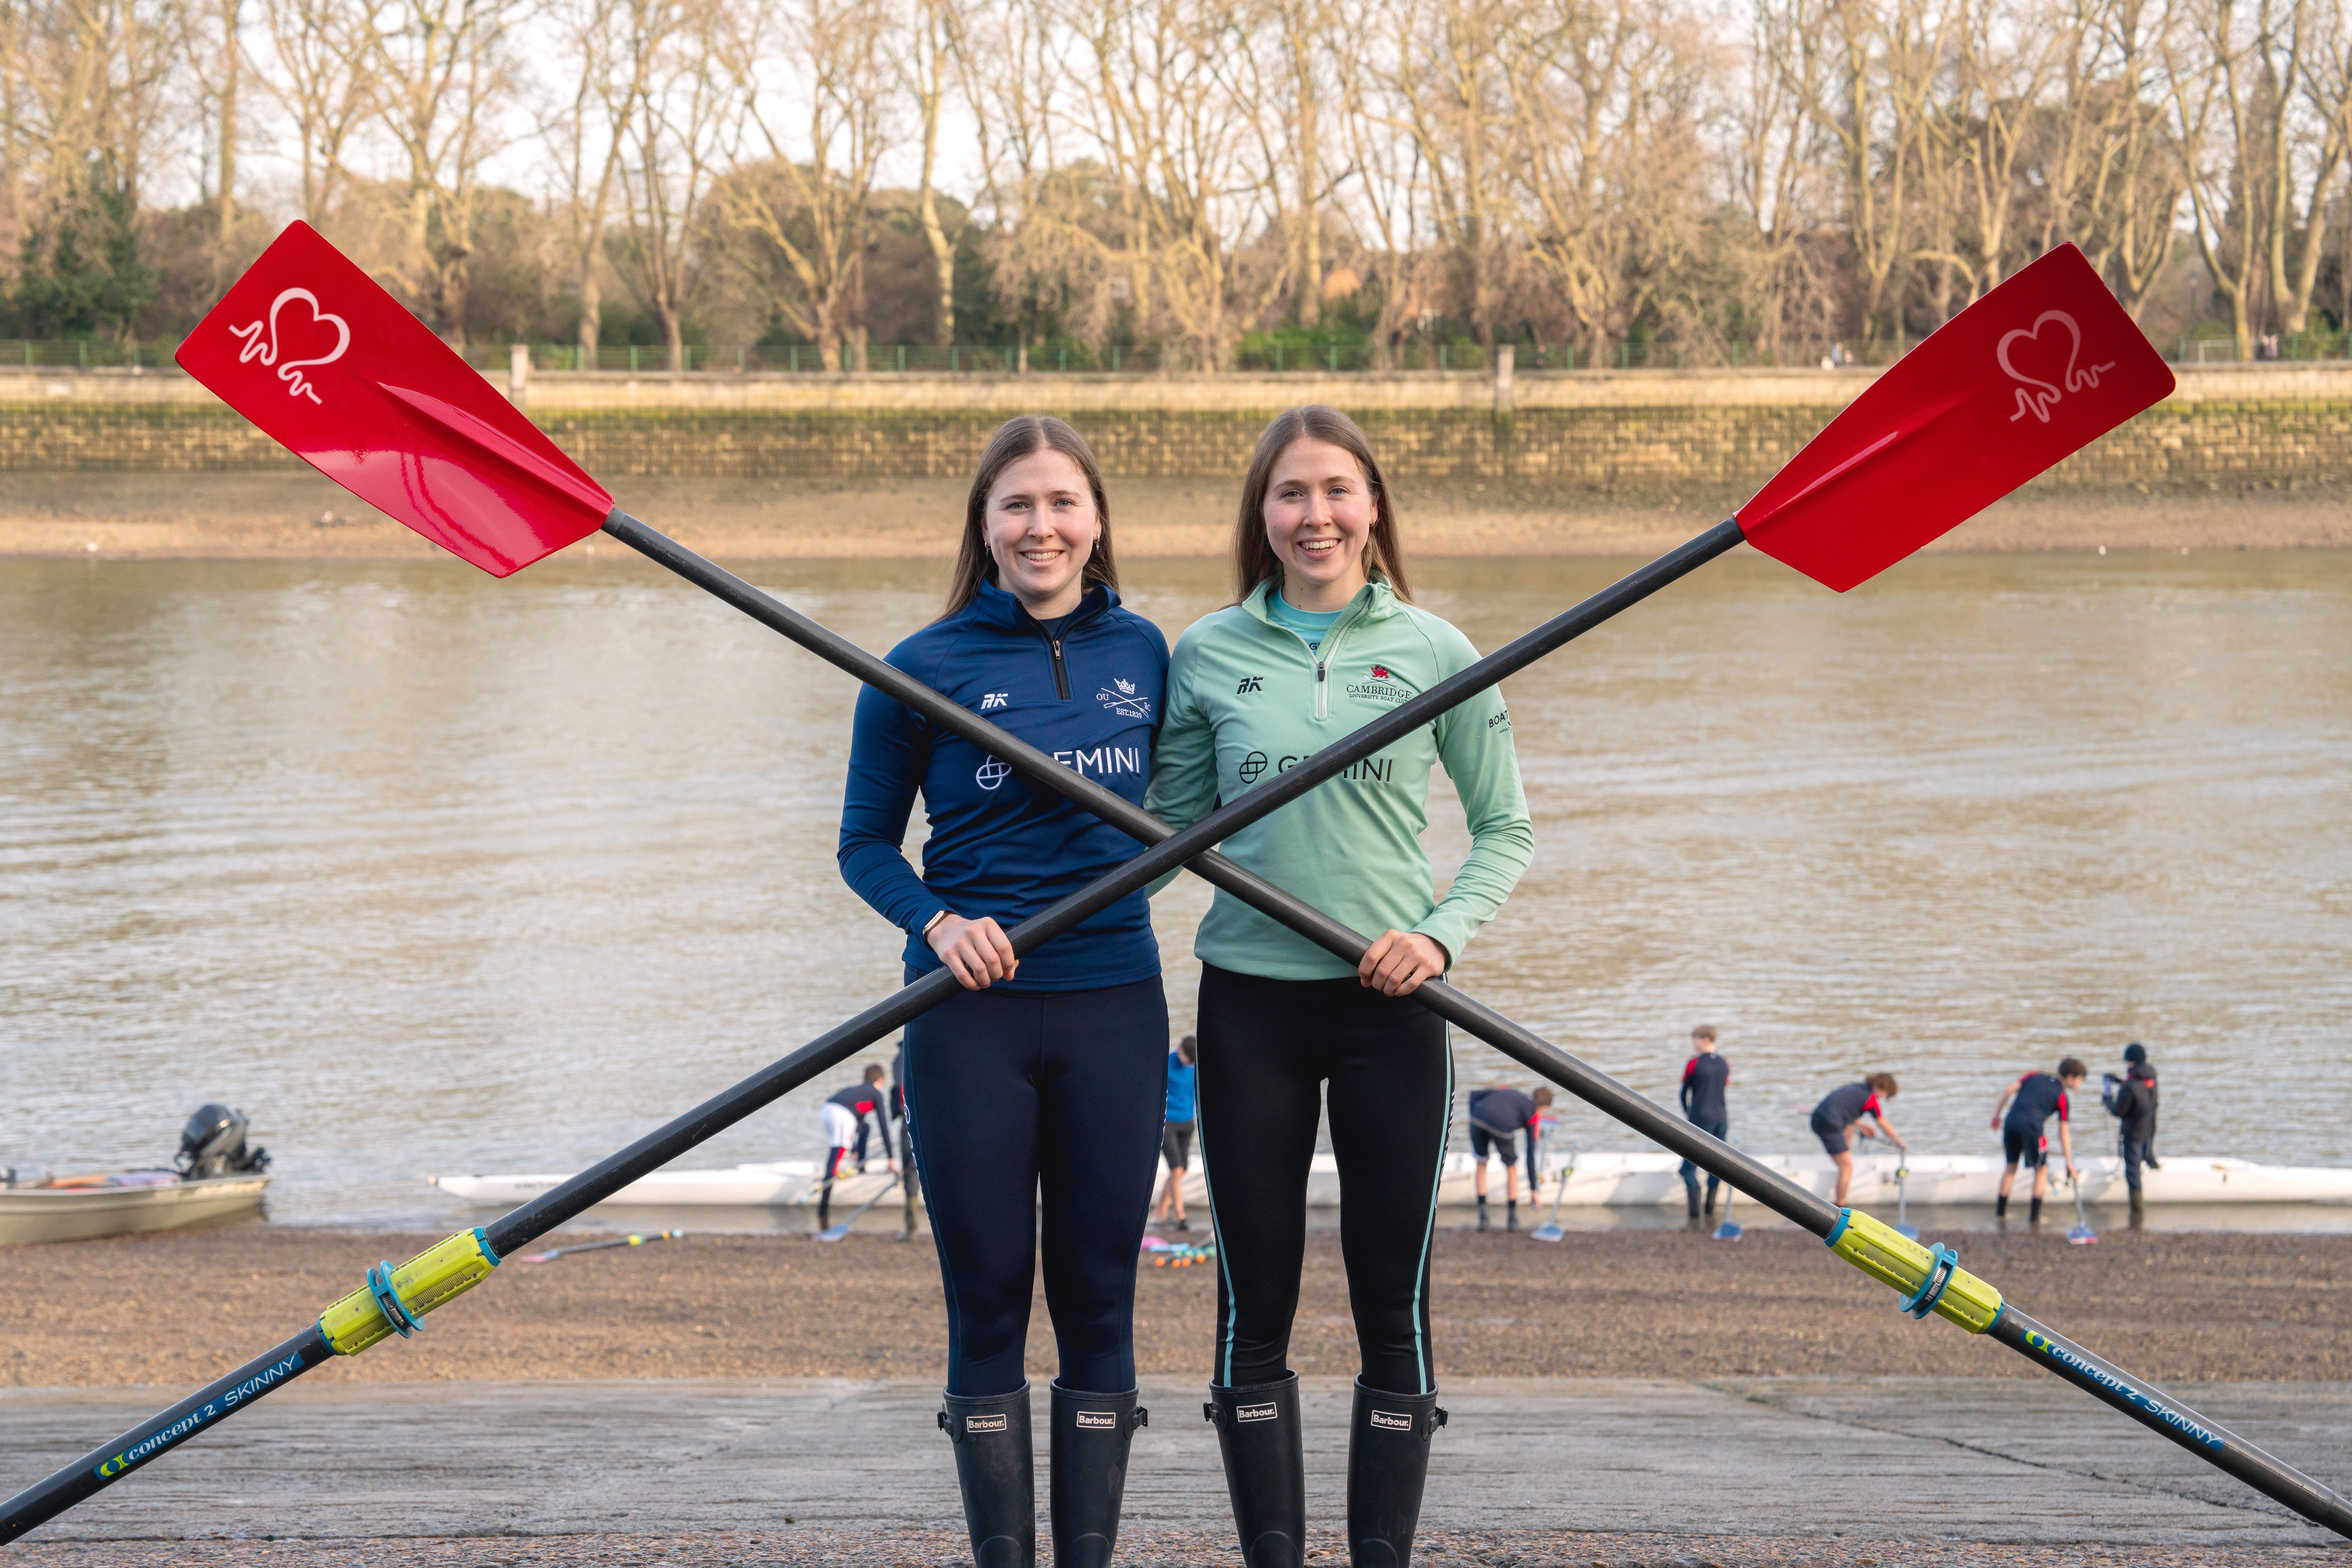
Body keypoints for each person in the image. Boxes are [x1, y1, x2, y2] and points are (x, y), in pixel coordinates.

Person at [1145, 404, 1533, 1568]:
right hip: (1248, 1004)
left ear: (1372, 508)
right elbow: (1162, 823)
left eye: (1335, 491)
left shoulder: (1433, 649)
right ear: (1258, 516)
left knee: (1390, 1303)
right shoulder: (1207, 649)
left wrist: (1439, 935)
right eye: (1289, 494)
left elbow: (1503, 830)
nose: (1313, 514)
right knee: (1248, 1299)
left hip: (1390, 1008)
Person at [837, 415, 1169, 1568]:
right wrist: (935, 918)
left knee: (1097, 1296)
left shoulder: (1145, 654)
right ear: (983, 526)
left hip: (1113, 1004)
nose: (1041, 527)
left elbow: (1188, 806)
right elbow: (863, 847)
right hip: (963, 1014)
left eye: (1061, 504)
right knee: (985, 1301)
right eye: (1017, 507)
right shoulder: (917, 666)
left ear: (1096, 521)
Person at [1991, 1057, 2086, 1224]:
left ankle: (2000, 1214)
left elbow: (2009, 1089)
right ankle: (2035, 1218)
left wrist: (1997, 1116)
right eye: (2081, 1080)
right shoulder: (2062, 1097)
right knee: (2041, 1170)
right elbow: (2063, 1132)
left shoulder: (2033, 1075)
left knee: (2011, 1166)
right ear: (2071, 1078)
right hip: (2032, 1129)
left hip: (2011, 1123)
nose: (2081, 1084)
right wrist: (2069, 1162)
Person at [818, 1065, 898, 1229]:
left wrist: (854, 1149)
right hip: (841, 1115)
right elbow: (884, 1127)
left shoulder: (856, 1089)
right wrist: (891, 1158)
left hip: (828, 1110)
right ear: (881, 1080)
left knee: (865, 1129)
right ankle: (823, 1210)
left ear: (864, 1079)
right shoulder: (876, 1094)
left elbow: (856, 1123)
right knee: (836, 1155)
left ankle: (861, 1167)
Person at [1466, 1084, 1552, 1231]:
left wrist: (1474, 1114)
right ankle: (1512, 1220)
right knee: (1511, 1167)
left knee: (1481, 1163)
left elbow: (1475, 1093)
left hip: (1477, 1119)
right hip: (1502, 1126)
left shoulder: (1511, 1092)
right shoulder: (1534, 1115)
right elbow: (1530, 1154)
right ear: (1544, 1107)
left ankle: (1483, 1220)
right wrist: (1534, 1190)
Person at [1810, 1073, 1904, 1208]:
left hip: (1819, 1117)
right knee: (1847, 1168)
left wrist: (1862, 1126)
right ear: (1880, 1088)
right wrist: (1898, 1141)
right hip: (1829, 1125)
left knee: (1850, 1128)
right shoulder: (1871, 1100)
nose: (1884, 1098)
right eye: (1886, 1095)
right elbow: (1882, 1123)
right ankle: (1841, 1206)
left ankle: (1845, 1156)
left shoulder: (1857, 1088)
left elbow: (1843, 1109)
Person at [2103, 1043, 2161, 1223]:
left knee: (2133, 1172)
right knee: (2145, 1158)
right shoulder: (2151, 1079)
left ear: (2131, 1061)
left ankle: (2137, 1213)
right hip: (2149, 1130)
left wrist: (2107, 1098)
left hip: (2133, 1135)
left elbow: (2119, 1111)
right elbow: (2137, 1089)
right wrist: (2119, 1082)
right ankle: (2155, 1170)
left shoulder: (2130, 1087)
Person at [1678, 1025, 1730, 1220]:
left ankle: (1694, 1215)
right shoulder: (1725, 1063)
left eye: (1696, 1039)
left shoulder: (1694, 1063)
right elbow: (1722, 1089)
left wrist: (1687, 1112)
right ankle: (1709, 1212)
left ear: (1706, 1039)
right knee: (1716, 1166)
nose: (1694, 1043)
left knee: (1687, 1169)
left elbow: (1684, 1093)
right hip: (1722, 1120)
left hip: (1700, 1119)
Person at [1157, 1034, 1199, 1231]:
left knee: (1183, 1170)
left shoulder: (1196, 1064)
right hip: (1168, 1124)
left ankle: (1160, 1212)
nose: (1190, 1065)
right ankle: (1181, 1217)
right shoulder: (1166, 1063)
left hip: (1187, 1122)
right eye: (1189, 1062)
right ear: (1181, 1052)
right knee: (1176, 1169)